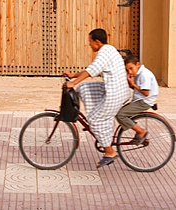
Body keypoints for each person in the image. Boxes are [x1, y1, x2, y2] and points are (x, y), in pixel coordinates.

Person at [64, 28, 130, 169]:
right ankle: (103, 121)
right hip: (113, 88)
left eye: (90, 42)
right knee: (84, 88)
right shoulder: (109, 49)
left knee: (93, 119)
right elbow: (90, 69)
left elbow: (91, 70)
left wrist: (73, 83)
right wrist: (73, 76)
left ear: (97, 42)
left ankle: (110, 152)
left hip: (115, 93)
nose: (89, 45)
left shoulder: (104, 53)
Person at [116, 55, 159, 144]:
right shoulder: (139, 73)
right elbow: (139, 90)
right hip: (139, 100)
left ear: (138, 64)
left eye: (131, 68)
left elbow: (146, 92)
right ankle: (136, 129)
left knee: (120, 114)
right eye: (128, 70)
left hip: (144, 101)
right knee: (119, 111)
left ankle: (140, 131)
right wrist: (131, 83)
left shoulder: (144, 74)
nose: (130, 71)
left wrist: (133, 84)